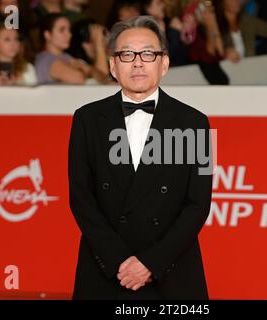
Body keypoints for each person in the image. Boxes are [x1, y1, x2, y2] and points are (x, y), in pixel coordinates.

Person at [68, 15, 213, 299]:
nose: (137, 62)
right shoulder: (86, 119)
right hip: (105, 271)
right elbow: (81, 198)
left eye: (148, 53)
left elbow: (198, 205)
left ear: (164, 63)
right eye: (126, 54)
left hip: (171, 274)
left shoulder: (195, 122)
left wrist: (151, 263)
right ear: (112, 65)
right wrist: (119, 261)